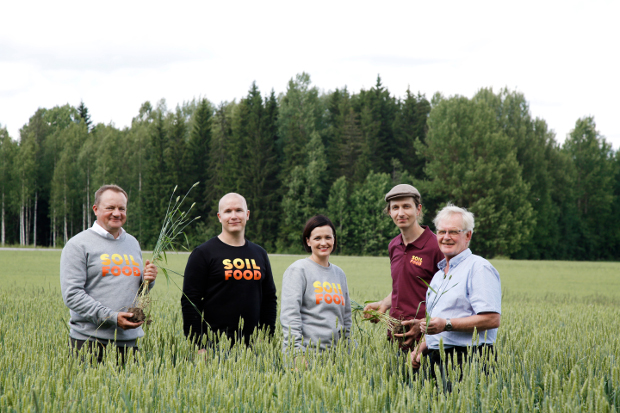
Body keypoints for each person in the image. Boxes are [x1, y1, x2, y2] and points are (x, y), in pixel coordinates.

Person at [60, 184, 158, 363]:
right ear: (96, 209)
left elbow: (132, 288)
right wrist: (112, 317)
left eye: (122, 208)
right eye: (110, 208)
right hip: (90, 343)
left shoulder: (132, 243)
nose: (117, 213)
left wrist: (148, 281)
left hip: (129, 343)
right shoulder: (78, 245)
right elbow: (72, 295)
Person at [409, 204, 501, 374]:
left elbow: (491, 319)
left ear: (468, 235)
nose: (446, 237)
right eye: (442, 232)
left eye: (453, 232)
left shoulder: (478, 268)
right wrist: (422, 348)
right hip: (436, 358)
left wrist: (447, 324)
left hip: (469, 358)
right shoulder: (438, 276)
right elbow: (437, 327)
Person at [181, 193, 277, 350]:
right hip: (214, 346)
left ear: (247, 215)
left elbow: (269, 299)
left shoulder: (259, 254)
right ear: (219, 217)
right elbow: (190, 301)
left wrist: (266, 338)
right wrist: (198, 345)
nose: (234, 216)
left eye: (239, 210)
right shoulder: (203, 253)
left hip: (253, 348)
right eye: (228, 211)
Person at [363, 184, 444, 351]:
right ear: (389, 212)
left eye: (406, 206)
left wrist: (426, 330)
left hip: (425, 338)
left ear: (418, 209)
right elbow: (404, 285)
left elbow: (448, 296)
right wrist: (384, 304)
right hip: (396, 334)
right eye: (395, 208)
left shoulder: (436, 247)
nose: (401, 213)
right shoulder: (394, 245)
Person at [280, 215, 352, 354]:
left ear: (334, 239)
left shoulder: (339, 274)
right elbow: (290, 316)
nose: (323, 243)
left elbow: (346, 317)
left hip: (337, 357)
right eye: (317, 238)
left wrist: (348, 351)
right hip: (307, 356)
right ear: (308, 241)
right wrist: (296, 354)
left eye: (328, 237)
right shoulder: (298, 270)